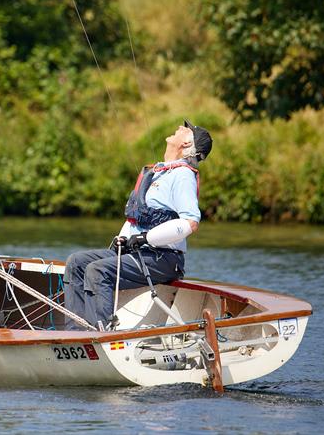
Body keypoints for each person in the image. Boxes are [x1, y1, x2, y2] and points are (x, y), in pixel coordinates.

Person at [63, 120, 213, 330]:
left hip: (163, 259)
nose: (179, 128)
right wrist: (122, 240)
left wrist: (146, 238)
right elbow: (136, 217)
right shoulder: (158, 172)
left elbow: (191, 222)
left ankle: (101, 333)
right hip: (139, 253)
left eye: (185, 129)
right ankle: (76, 331)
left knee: (98, 271)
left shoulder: (183, 175)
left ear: (187, 143)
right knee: (76, 263)